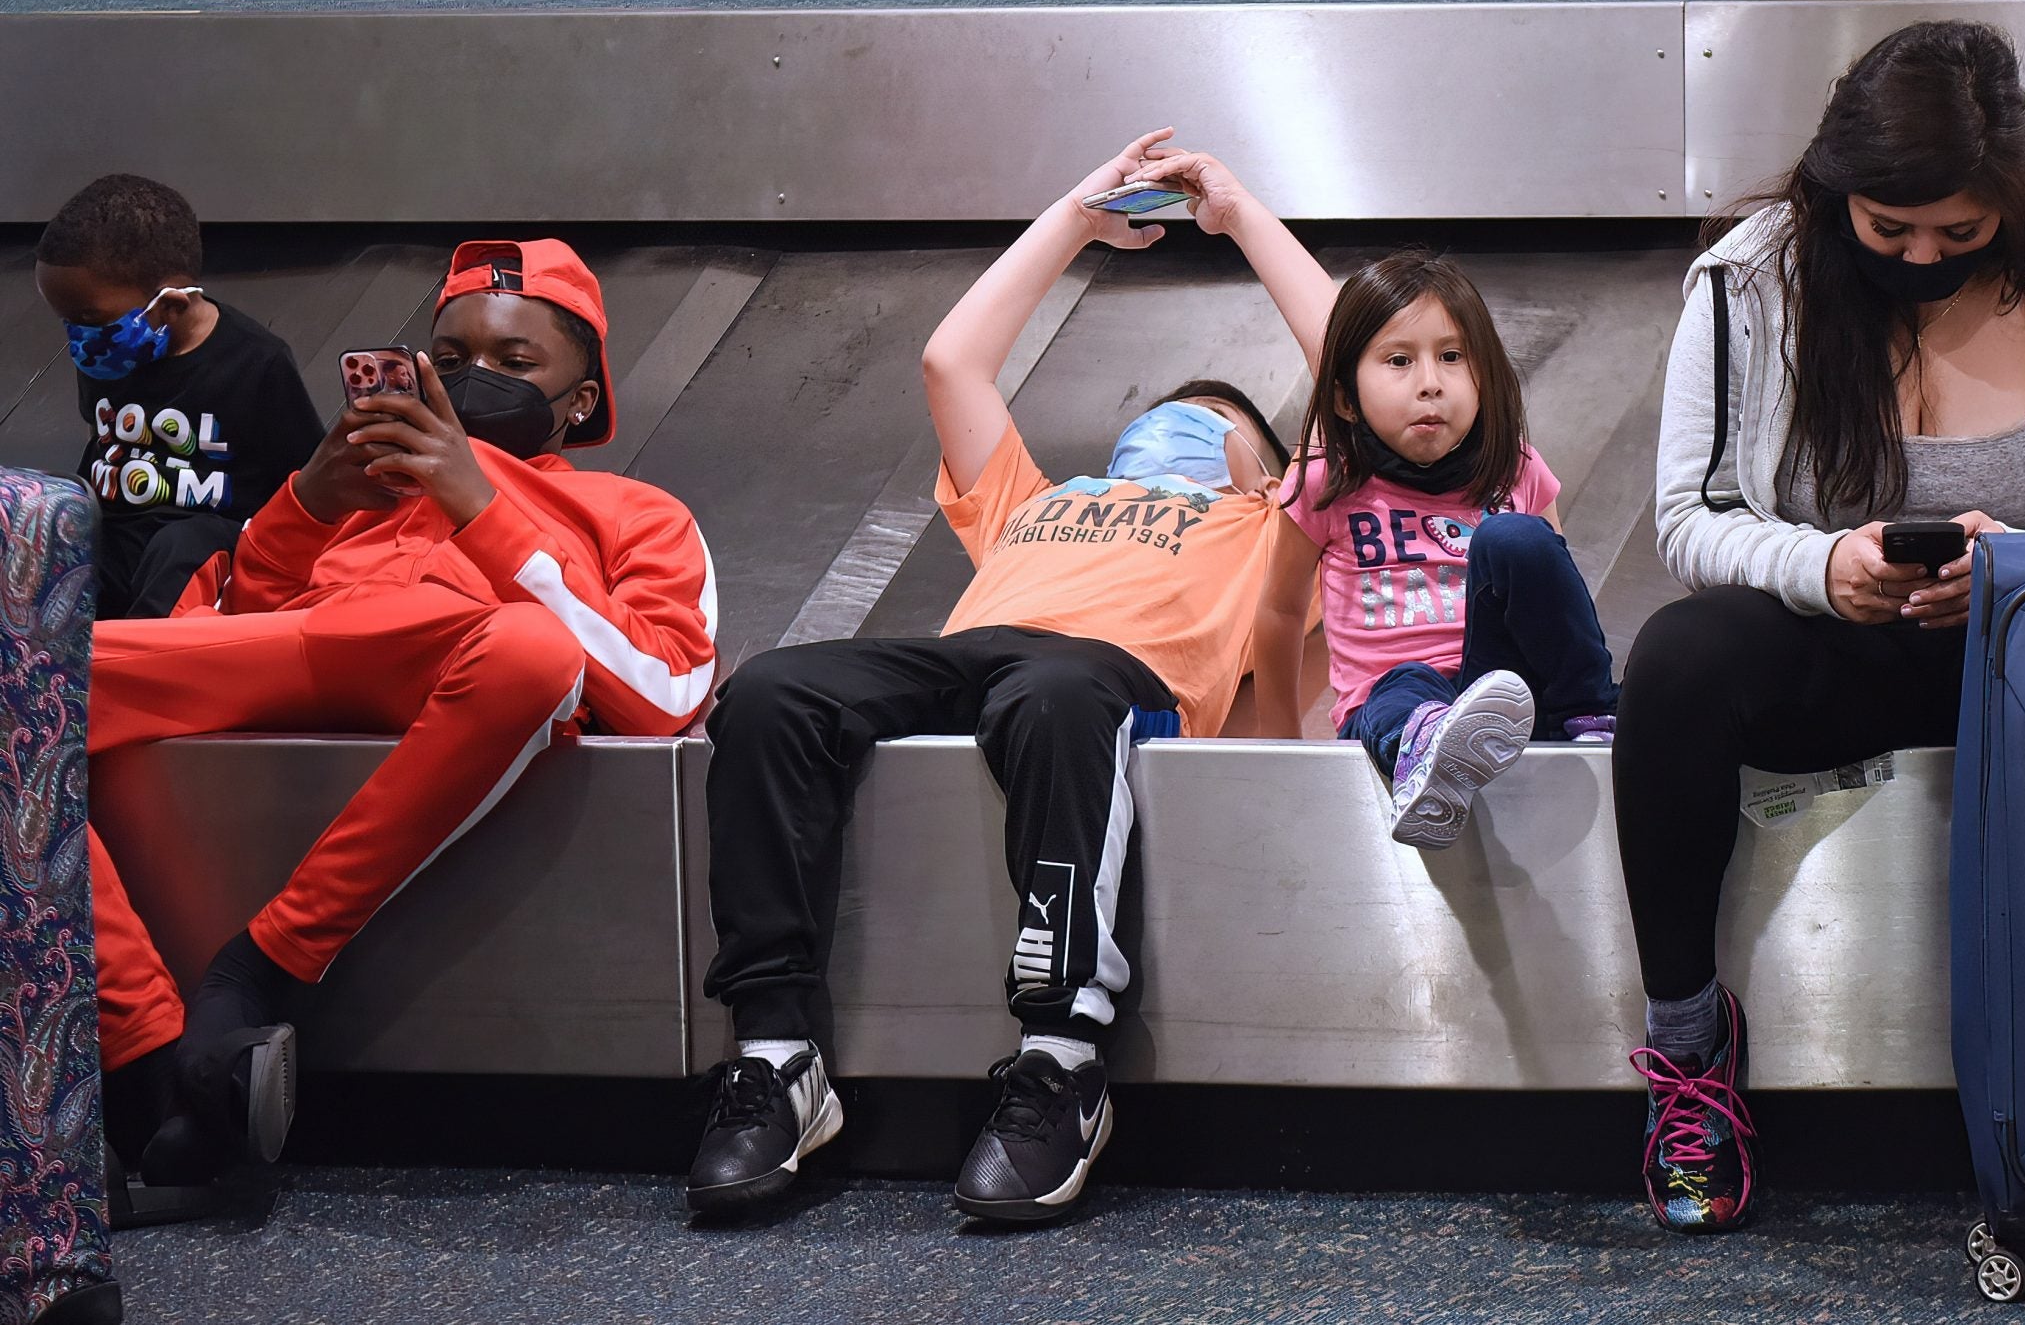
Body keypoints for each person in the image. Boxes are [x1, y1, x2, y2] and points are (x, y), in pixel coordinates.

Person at [689, 129, 1331, 1224]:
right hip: (973, 656)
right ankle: (776, 1052)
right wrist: (1077, 213)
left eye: (1219, 420)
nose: (1181, 426)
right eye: (1166, 416)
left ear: (1270, 462)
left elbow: (1349, 368)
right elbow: (953, 362)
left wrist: (1239, 214)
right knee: (772, 691)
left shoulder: (1269, 524)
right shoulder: (1036, 500)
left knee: (1059, 691)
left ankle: (1060, 1057)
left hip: (1101, 681)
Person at [1612, 20, 2025, 1232]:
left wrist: (2018, 567)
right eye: (1889, 230)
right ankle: (1686, 1050)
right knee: (1675, 662)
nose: (1921, 254)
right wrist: (1825, 564)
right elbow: (1688, 517)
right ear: (1837, 192)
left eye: (1957, 236)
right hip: (1838, 646)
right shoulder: (1750, 277)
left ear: (2010, 203)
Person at [86, 239, 718, 1185]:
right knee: (27, 680)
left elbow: (664, 692)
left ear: (579, 403)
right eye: (450, 360)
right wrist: (305, 502)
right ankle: (143, 1057)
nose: (473, 380)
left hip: (463, 654)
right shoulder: (356, 492)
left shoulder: (639, 511)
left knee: (533, 649)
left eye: (515, 364)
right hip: (304, 647)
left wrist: (480, 506)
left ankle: (265, 963)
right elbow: (218, 629)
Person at [1252, 250, 1617, 848]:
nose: (1430, 381)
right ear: (1346, 399)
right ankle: (1430, 757)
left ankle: (1592, 722)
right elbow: (1280, 612)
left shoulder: (1515, 469)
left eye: (1452, 357)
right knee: (1402, 685)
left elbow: (1558, 597)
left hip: (1512, 697)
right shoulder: (1326, 481)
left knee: (1518, 539)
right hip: (1391, 708)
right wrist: (1280, 747)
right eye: (1399, 361)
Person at [34, 175, 323, 619]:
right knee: (29, 514)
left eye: (90, 318)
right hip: (113, 537)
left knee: (182, 546)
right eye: (68, 321)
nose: (79, 337)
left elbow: (303, 477)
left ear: (170, 305)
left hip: (206, 550)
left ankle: (140, 666)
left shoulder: (255, 361)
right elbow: (105, 444)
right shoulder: (102, 351)